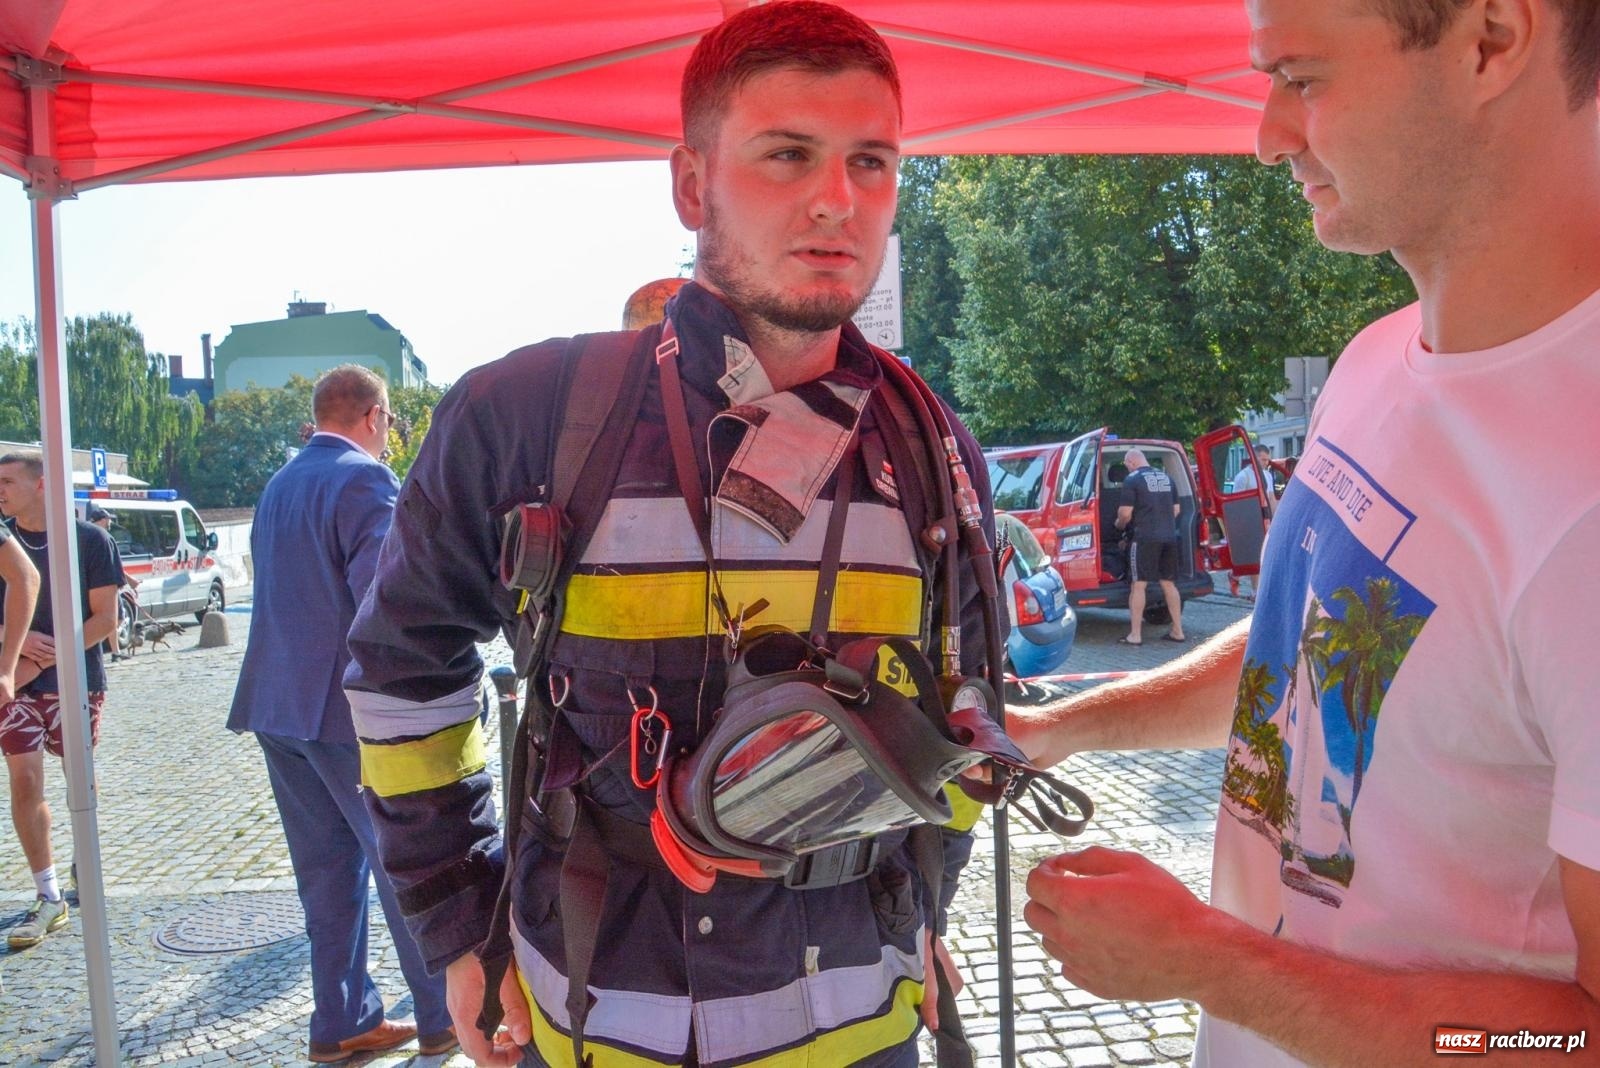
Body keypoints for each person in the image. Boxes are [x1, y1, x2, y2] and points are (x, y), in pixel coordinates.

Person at [342, 5, 994, 1066]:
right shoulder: (524, 412)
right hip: (598, 1020)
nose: (839, 200)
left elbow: (967, 714)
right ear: (691, 184)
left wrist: (927, 897)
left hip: (860, 1028)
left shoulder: (928, 444)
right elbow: (400, 678)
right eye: (789, 154)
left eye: (872, 163)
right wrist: (459, 926)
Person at [1017, 0, 1600, 1063]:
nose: (1266, 134)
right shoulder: (1378, 357)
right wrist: (1061, 727)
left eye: (1301, 76)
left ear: (1491, 40)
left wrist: (1211, 963)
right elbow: (1313, 647)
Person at [226, 366, 455, 1064]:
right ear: (376, 416)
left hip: (278, 704)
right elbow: (379, 604)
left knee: (324, 873)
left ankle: (342, 1020)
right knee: (407, 863)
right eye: (390, 424)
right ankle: (443, 1014)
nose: (390, 437)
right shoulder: (364, 480)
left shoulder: (279, 482)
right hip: (344, 714)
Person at [0, 451, 119, 950]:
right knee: (24, 780)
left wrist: (46, 658)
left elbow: (106, 621)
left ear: (42, 484)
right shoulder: (4, 541)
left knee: (79, 780)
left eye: (7, 481)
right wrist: (16, 638)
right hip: (17, 687)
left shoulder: (89, 540)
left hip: (76, 680)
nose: (0, 490)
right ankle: (49, 894)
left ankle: (85, 865)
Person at [1115, 448, 1185, 644]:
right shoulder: (1166, 478)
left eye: (1127, 465)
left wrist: (1119, 525)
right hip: (1169, 537)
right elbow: (1176, 510)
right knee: (1169, 584)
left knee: (1138, 585)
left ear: (1131, 462)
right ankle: (1177, 631)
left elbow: (1125, 513)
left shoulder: (1132, 480)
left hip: (1144, 538)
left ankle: (1135, 635)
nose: (1127, 468)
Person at [1228, 444, 1275, 600]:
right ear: (1254, 457)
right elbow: (1236, 502)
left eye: (1267, 460)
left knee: (1261, 555)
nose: (1265, 463)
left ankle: (1237, 576)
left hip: (1264, 519)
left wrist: (1274, 519)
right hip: (1249, 520)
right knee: (1254, 556)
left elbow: (1271, 498)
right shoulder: (1243, 476)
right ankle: (1255, 590)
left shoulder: (1267, 475)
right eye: (1263, 459)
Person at [85, 504, 128, 655]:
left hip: (107, 584)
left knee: (114, 620)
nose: (110, 522)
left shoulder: (89, 535)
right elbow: (111, 566)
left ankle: (115, 650)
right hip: (107, 587)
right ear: (102, 520)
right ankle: (115, 652)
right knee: (114, 619)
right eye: (108, 519)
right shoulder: (100, 538)